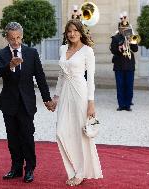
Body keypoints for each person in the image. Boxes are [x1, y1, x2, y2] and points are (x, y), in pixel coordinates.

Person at [0, 22, 54, 183]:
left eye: (18, 37)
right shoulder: (0, 54)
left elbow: (40, 78)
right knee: (12, 138)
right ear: (6, 37)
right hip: (9, 103)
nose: (15, 41)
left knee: (27, 137)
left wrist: (47, 99)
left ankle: (29, 169)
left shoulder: (31, 53)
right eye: (12, 38)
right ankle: (16, 168)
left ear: (22, 35)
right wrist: (10, 65)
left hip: (27, 103)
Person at [52, 19, 103, 186]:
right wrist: (56, 97)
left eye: (75, 30)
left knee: (81, 134)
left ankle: (80, 173)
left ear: (80, 32)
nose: (72, 33)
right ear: (66, 33)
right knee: (61, 132)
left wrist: (91, 103)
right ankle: (75, 168)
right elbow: (61, 75)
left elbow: (91, 80)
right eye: (69, 31)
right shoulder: (62, 48)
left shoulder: (87, 51)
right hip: (65, 92)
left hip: (80, 93)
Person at [110, 15, 138, 111]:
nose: (124, 29)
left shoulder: (131, 37)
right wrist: (119, 48)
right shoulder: (115, 38)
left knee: (129, 86)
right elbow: (113, 50)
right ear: (119, 28)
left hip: (130, 65)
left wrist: (131, 42)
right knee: (120, 86)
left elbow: (136, 49)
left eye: (126, 28)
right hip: (119, 65)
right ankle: (121, 105)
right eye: (122, 28)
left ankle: (128, 105)